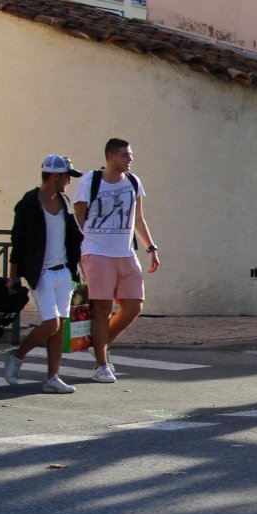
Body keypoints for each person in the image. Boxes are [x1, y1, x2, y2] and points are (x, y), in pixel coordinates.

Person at [72, 138, 159, 384]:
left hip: (125, 252)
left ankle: (100, 342)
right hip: (97, 251)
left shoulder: (133, 182)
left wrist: (150, 248)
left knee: (134, 306)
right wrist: (80, 248)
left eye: (130, 155)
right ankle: (102, 364)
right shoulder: (91, 181)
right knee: (101, 307)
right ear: (111, 156)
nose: (130, 159)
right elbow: (78, 214)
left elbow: (138, 218)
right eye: (125, 155)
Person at [4, 155, 86, 393]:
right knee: (51, 324)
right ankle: (17, 355)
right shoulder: (28, 204)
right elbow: (18, 242)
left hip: (64, 273)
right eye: (67, 176)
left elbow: (73, 238)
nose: (69, 181)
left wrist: (77, 269)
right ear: (54, 176)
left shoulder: (65, 202)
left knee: (59, 325)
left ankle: (52, 377)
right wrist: (13, 276)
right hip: (41, 273)